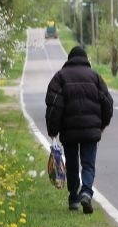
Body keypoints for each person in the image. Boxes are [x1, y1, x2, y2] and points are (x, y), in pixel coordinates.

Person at [45, 45, 113, 214]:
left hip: (69, 131)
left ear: (69, 59)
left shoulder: (60, 77)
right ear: (85, 59)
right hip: (91, 131)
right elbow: (107, 103)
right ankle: (86, 192)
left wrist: (53, 129)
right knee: (88, 164)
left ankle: (74, 199)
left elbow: (54, 106)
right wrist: (102, 125)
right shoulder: (95, 77)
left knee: (73, 164)